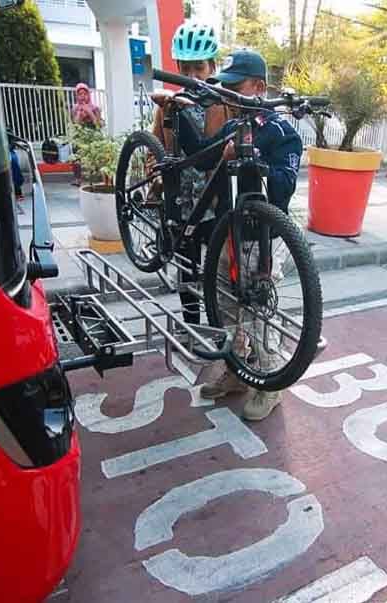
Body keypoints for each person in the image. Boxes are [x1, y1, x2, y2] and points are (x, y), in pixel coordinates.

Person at [155, 49, 303, 421]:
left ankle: (271, 382)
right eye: (226, 88)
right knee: (225, 307)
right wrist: (176, 112)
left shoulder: (282, 133)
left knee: (256, 311)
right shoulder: (235, 126)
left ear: (259, 87)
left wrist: (248, 159)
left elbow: (283, 186)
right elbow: (201, 154)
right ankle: (238, 371)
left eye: (236, 88)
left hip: (258, 239)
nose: (229, 96)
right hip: (226, 234)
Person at [150, 20, 233, 329]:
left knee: (217, 269)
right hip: (181, 201)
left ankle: (219, 327)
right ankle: (191, 328)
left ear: (212, 66)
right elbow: (155, 146)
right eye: (186, 69)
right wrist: (156, 176)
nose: (193, 76)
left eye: (199, 67)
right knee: (187, 269)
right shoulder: (168, 106)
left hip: (214, 201)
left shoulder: (225, 103)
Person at [71, 82, 103, 186]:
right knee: (75, 149)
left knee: (95, 149)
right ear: (77, 96)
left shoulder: (95, 108)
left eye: (85, 94)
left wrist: (89, 112)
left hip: (93, 133)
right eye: (80, 94)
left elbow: (98, 125)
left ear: (88, 95)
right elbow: (75, 125)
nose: (82, 96)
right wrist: (80, 114)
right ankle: (77, 178)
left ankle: (96, 176)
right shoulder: (75, 108)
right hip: (80, 135)